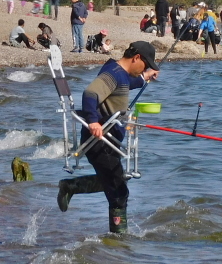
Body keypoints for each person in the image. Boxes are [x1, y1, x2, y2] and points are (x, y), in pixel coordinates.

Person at [56, 41, 159, 233]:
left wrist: (145, 76)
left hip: (109, 142)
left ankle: (71, 186)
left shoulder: (117, 71)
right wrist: (93, 121)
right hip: (99, 141)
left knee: (116, 179)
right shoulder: (113, 74)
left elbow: (128, 83)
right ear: (136, 58)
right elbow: (91, 92)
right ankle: (119, 241)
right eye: (146, 65)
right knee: (119, 191)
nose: (144, 69)